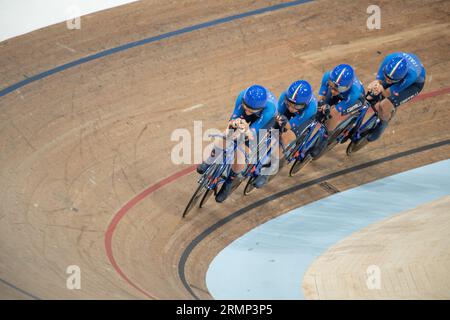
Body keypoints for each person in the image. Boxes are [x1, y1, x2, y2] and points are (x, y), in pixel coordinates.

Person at [196, 84, 277, 202]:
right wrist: (234, 125)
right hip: (252, 114)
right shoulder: (242, 97)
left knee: (242, 153)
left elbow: (252, 133)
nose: (248, 111)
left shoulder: (269, 109)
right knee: (227, 134)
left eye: (251, 110)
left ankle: (229, 182)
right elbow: (233, 119)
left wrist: (245, 132)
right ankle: (210, 160)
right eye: (246, 107)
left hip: (263, 122)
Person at [252, 80, 317, 188]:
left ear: (304, 105)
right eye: (289, 103)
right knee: (271, 126)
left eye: (296, 106)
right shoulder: (285, 97)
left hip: (302, 119)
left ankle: (268, 171)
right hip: (286, 115)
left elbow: (289, 127)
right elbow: (277, 116)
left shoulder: (310, 108)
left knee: (285, 138)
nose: (291, 108)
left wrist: (283, 125)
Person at [366, 52, 426, 141]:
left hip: (413, 85)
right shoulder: (388, 59)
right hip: (395, 75)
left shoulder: (411, 76)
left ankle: (383, 124)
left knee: (384, 105)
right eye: (386, 77)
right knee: (370, 93)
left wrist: (381, 89)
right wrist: (377, 84)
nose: (387, 80)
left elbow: (388, 94)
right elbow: (379, 80)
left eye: (390, 80)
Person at [310, 63, 365, 158]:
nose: (333, 91)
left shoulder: (354, 93)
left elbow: (335, 111)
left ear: (347, 87)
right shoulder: (327, 76)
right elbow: (321, 98)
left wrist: (329, 112)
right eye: (331, 85)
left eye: (337, 88)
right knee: (321, 108)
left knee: (332, 115)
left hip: (353, 100)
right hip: (343, 94)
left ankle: (326, 137)